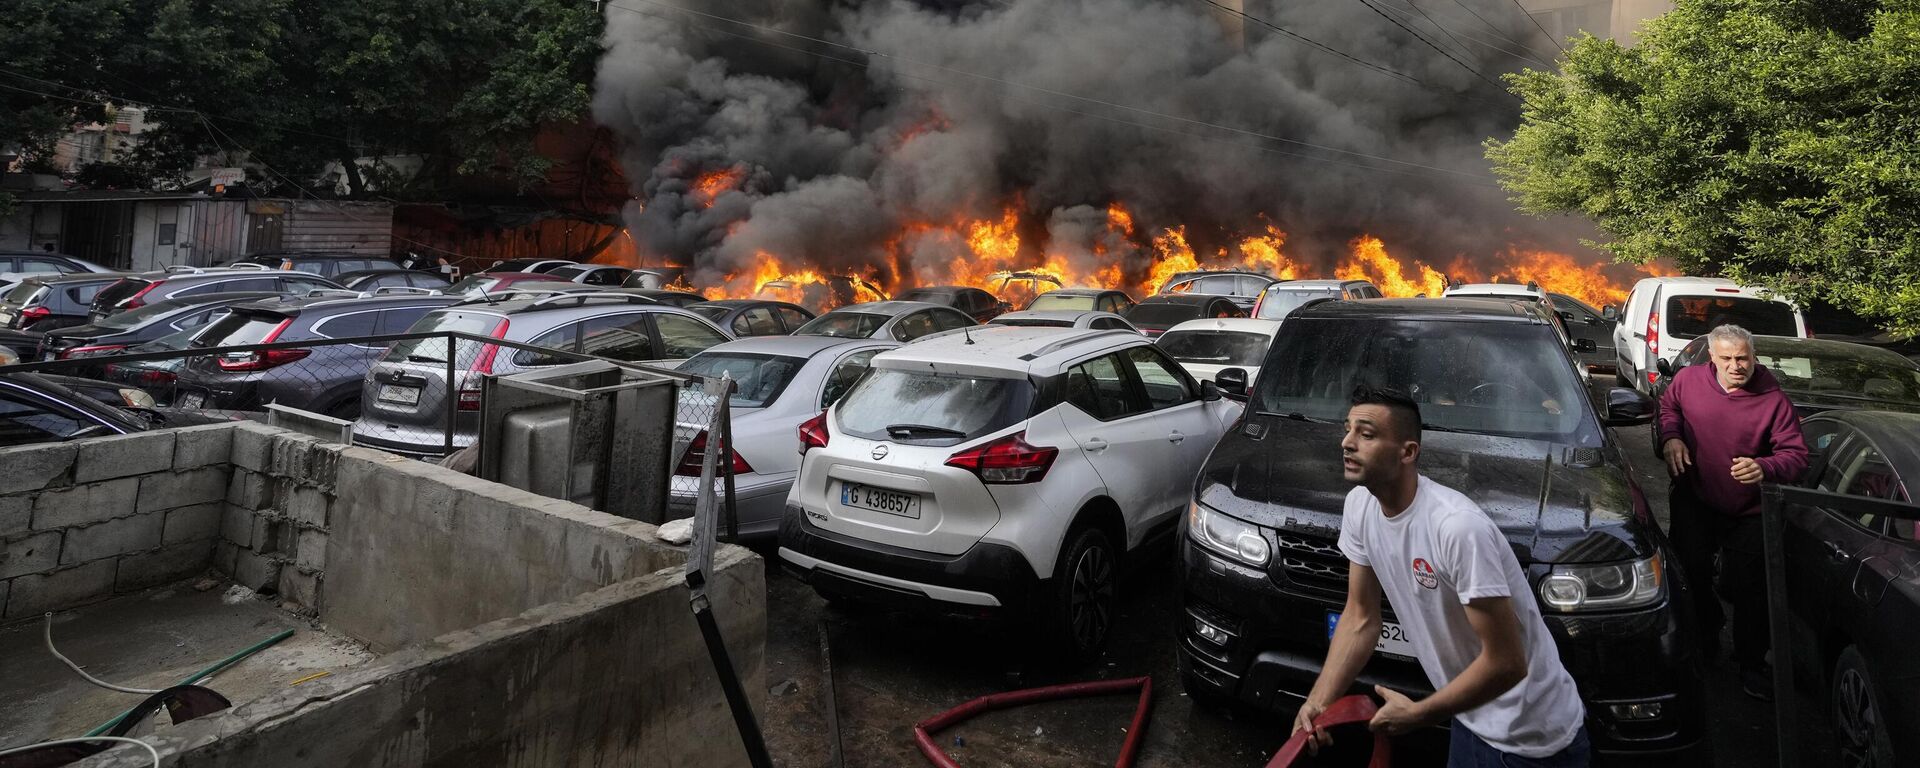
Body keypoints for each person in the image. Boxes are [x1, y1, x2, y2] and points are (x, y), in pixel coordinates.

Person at [1293, 385, 1589, 767]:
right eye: (1347, 429)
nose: (1347, 442)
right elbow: (1360, 618)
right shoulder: (1360, 507)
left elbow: (1507, 662)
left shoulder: (1457, 528)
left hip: (1533, 739)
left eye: (1366, 434)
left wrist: (1420, 714)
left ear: (1408, 452)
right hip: (1471, 715)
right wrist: (1319, 701)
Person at [1656, 323, 1807, 700]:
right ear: (1712, 358)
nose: (1736, 366)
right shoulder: (1689, 381)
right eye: (1727, 359)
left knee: (1748, 588)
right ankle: (1706, 635)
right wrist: (1672, 437)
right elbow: (1667, 407)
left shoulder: (1774, 400)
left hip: (1749, 509)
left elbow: (1796, 456)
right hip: (1697, 497)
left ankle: (1751, 663)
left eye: (1743, 358)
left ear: (1754, 357)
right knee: (1690, 572)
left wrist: (1765, 467)